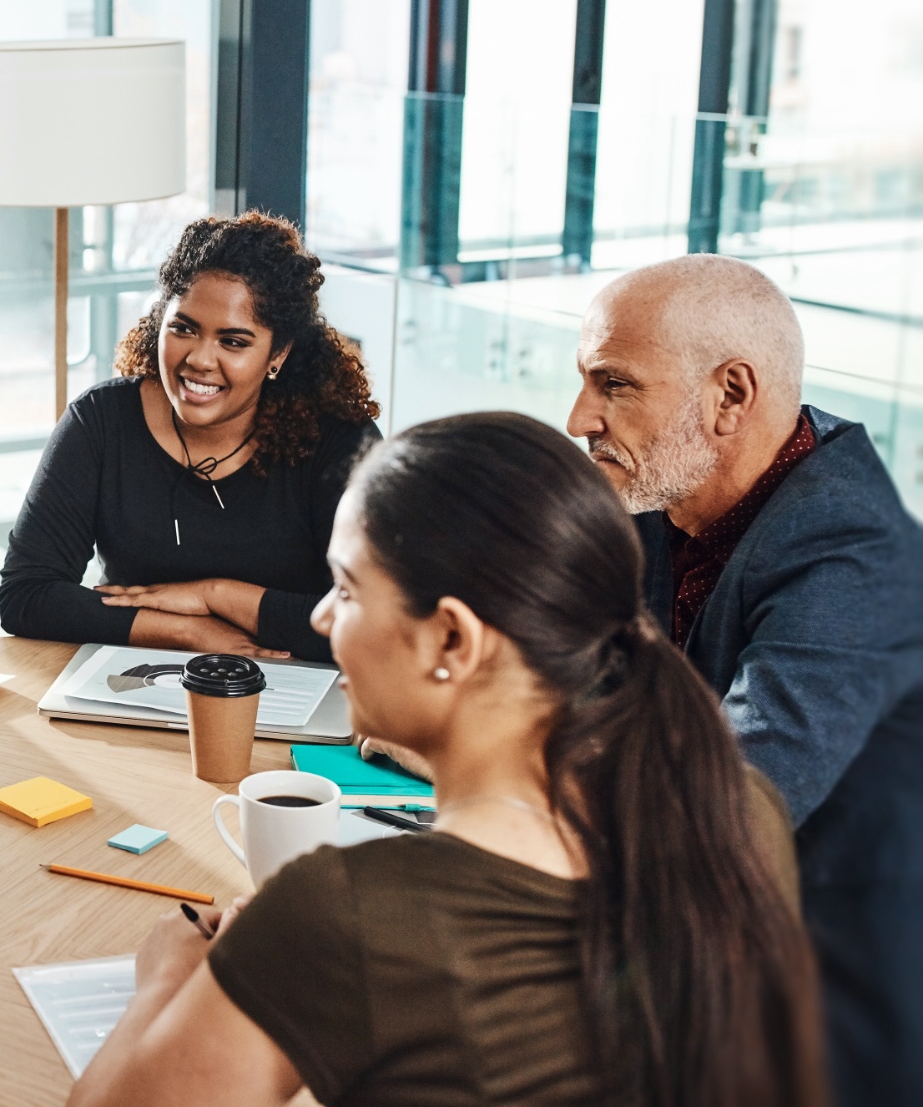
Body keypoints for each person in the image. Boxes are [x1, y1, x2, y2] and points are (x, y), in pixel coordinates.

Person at [70, 411, 824, 1106]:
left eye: (346, 589)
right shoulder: (738, 807)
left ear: (453, 642)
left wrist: (165, 981)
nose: (322, 617)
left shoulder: (343, 916)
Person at [567, 253, 923, 1104]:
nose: (579, 416)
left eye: (614, 385)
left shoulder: (854, 561)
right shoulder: (673, 493)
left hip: (821, 1023)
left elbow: (722, 806)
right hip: (677, 948)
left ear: (731, 396)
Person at [0, 213, 380, 660]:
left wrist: (215, 595)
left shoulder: (340, 441)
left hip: (297, 687)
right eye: (183, 329)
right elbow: (26, 596)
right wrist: (188, 634)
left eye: (233, 342)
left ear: (277, 354)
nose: (199, 359)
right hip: (134, 679)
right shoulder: (102, 420)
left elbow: (378, 622)